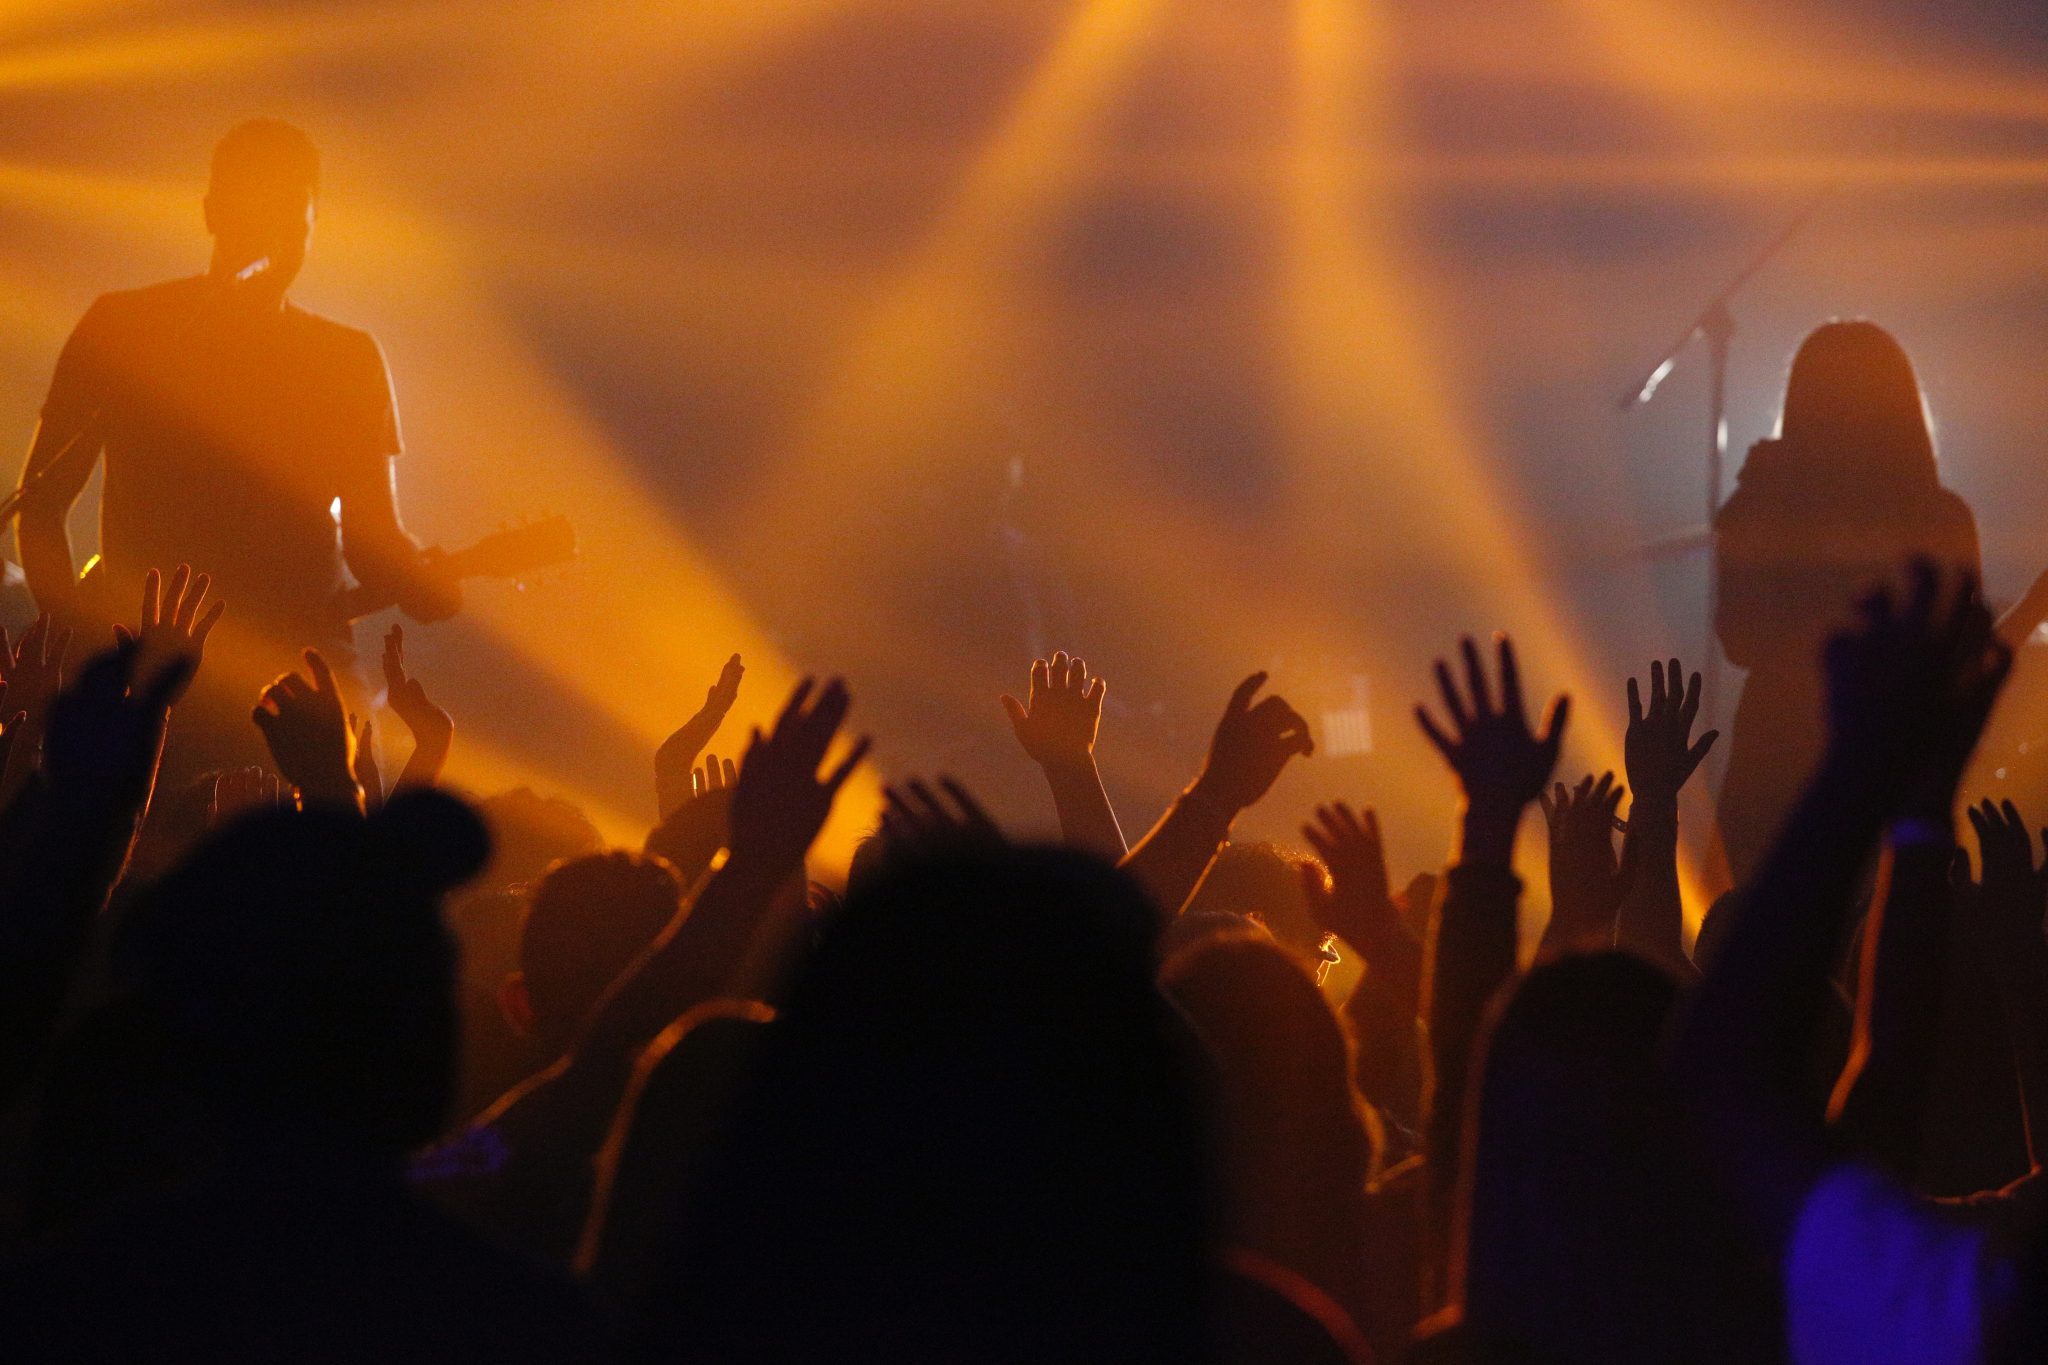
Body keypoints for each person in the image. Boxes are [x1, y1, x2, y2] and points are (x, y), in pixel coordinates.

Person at [14, 118, 457, 776]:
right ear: (212, 211)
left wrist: (430, 584)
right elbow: (42, 502)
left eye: (292, 215)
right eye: (260, 209)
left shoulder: (347, 358)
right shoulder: (125, 327)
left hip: (299, 679)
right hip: (159, 670)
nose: (277, 233)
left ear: (312, 224)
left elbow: (371, 544)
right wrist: (82, 641)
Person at [1712, 321, 1979, 885]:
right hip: (1895, 768)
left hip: (1778, 768)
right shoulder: (1940, 516)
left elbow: (1739, 640)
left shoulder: (1768, 505)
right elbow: (1963, 656)